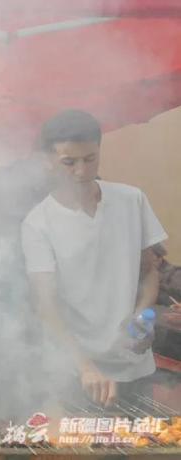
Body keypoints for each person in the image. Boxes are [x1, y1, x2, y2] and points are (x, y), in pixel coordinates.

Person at [21, 109, 167, 407]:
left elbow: (149, 270)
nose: (82, 171)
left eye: (90, 159)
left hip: (133, 364)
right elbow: (46, 305)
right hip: (75, 371)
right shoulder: (38, 223)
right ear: (47, 162)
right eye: (69, 162)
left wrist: (142, 314)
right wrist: (85, 366)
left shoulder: (131, 199)